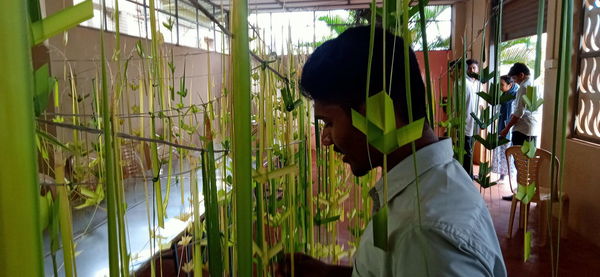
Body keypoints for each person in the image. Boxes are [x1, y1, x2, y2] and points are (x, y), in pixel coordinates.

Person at [277, 26, 506, 276]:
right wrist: (328, 273)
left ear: (378, 113)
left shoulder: (423, 234)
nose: (325, 140)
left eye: (329, 123)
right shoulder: (422, 185)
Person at [499, 63, 538, 145]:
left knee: (518, 156)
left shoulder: (524, 87)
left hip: (522, 130)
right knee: (528, 157)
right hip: (533, 129)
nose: (514, 82)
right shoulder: (536, 84)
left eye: (514, 78)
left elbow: (519, 112)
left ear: (521, 75)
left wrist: (506, 129)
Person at [492, 75, 518, 183]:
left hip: (509, 128)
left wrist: (507, 128)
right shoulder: (504, 95)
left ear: (510, 85)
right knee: (502, 152)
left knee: (509, 152)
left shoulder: (514, 95)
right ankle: (502, 175)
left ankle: (511, 179)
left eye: (502, 85)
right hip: (502, 126)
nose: (500, 87)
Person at [463, 59, 481, 178]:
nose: (472, 70)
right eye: (469, 68)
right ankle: (468, 175)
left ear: (477, 69)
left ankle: (470, 173)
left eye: (474, 68)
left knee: (471, 147)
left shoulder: (478, 84)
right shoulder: (464, 83)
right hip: (466, 120)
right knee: (467, 149)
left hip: (476, 120)